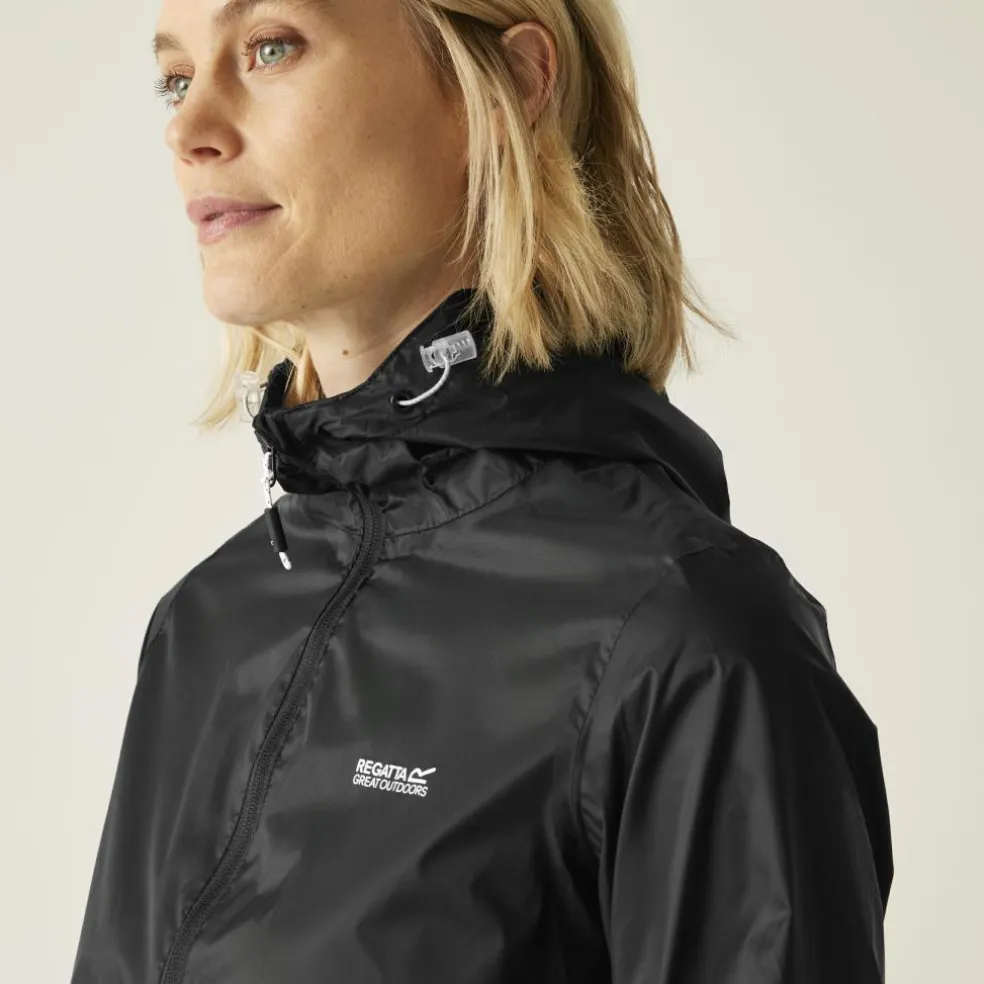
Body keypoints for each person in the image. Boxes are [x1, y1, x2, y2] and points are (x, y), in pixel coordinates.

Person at [71, 1, 894, 982]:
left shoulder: (688, 640)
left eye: (271, 48)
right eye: (175, 79)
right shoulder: (206, 626)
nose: (190, 129)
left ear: (502, 87)